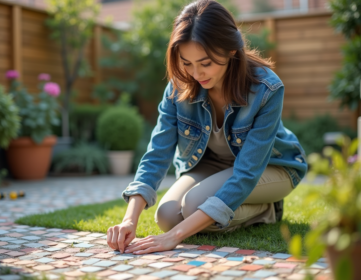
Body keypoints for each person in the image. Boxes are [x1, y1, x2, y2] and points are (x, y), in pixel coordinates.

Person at [106, 0, 308, 255]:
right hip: (211, 165)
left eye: (206, 62)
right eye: (186, 63)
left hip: (270, 167)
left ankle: (268, 209)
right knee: (167, 216)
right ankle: (229, 206)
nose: (195, 74)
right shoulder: (179, 86)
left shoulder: (267, 89)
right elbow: (157, 152)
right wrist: (129, 219)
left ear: (231, 50)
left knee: (192, 207)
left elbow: (247, 172)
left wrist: (175, 237)